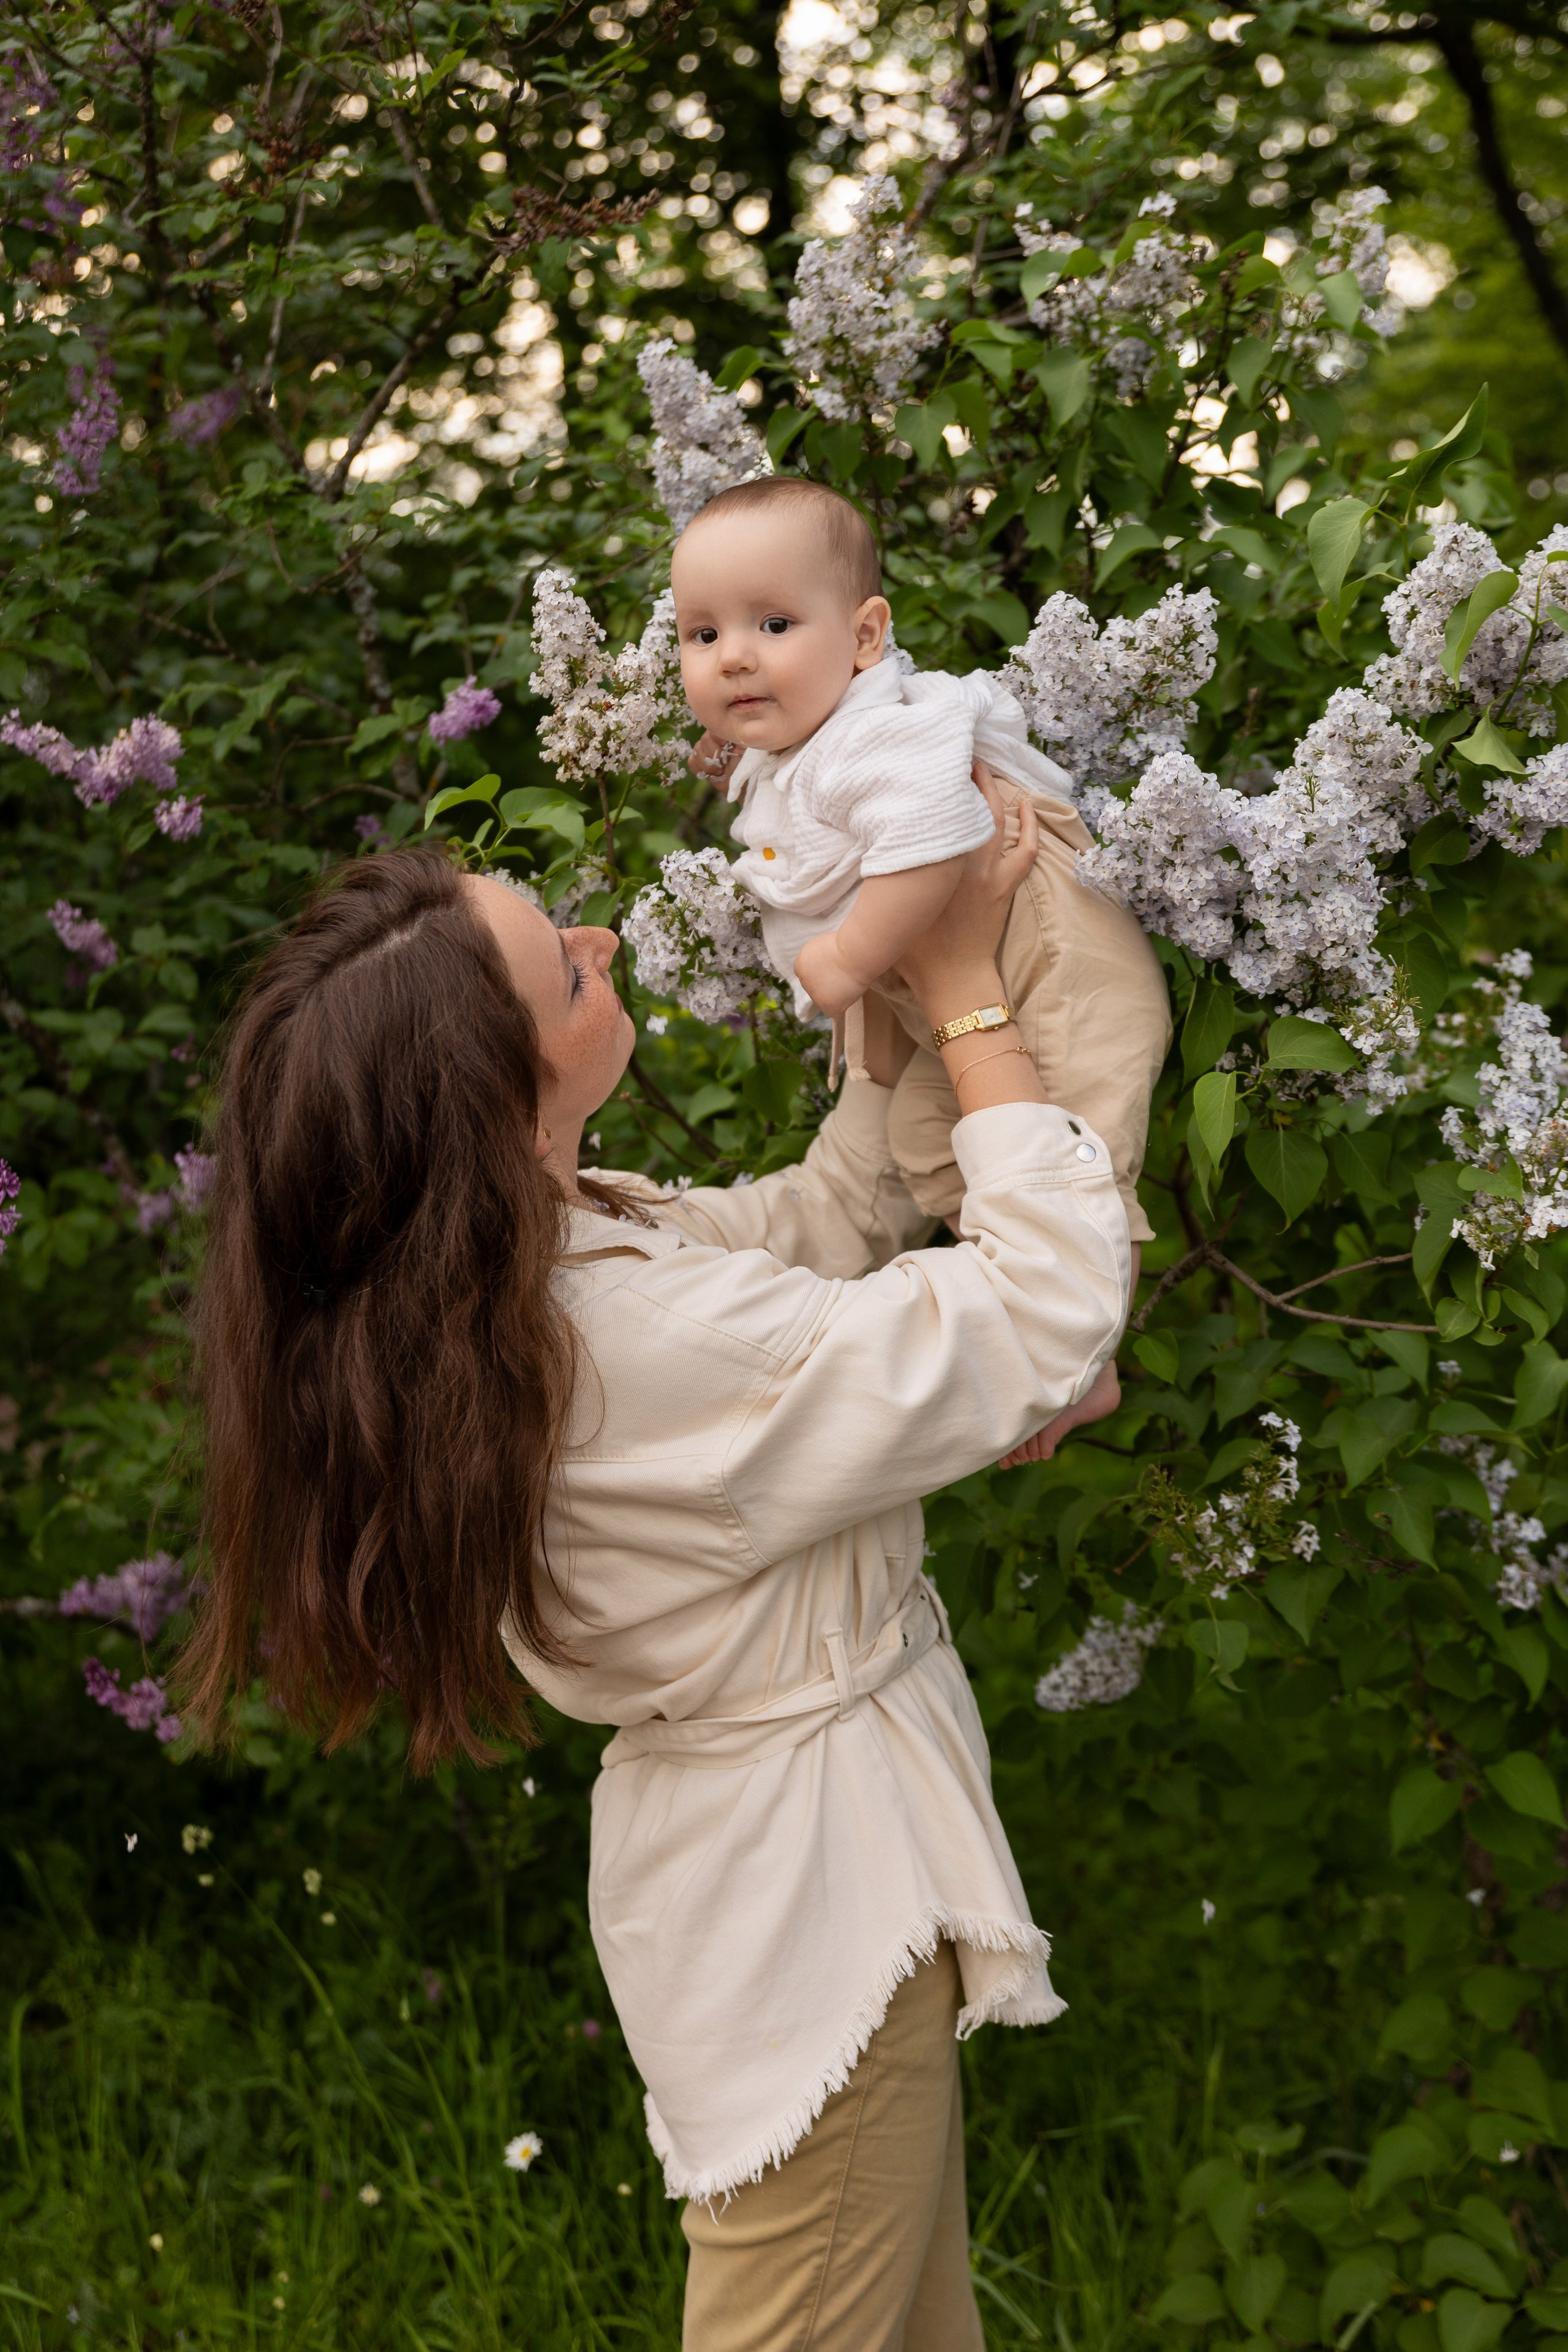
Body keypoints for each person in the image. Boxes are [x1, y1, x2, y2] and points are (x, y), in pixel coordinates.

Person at [181, 780, 1131, 2351]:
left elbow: (820, 1222)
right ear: (509, 1100)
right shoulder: (623, 1340)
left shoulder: (516, 1278)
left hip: (777, 1882)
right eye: (565, 971)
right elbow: (1044, 1315)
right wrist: (966, 987)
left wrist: (889, 999)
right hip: (816, 1907)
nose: (602, 940)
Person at [671, 473, 1170, 1264]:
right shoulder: (823, 726)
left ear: (866, 637)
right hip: (982, 983)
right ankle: (1010, 1280)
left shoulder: (877, 737)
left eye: (774, 624)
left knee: (1079, 1165)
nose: (733, 656)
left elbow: (930, 846)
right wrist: (739, 751)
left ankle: (1088, 1303)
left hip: (1062, 975)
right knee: (925, 1141)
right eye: (703, 635)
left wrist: (848, 958)